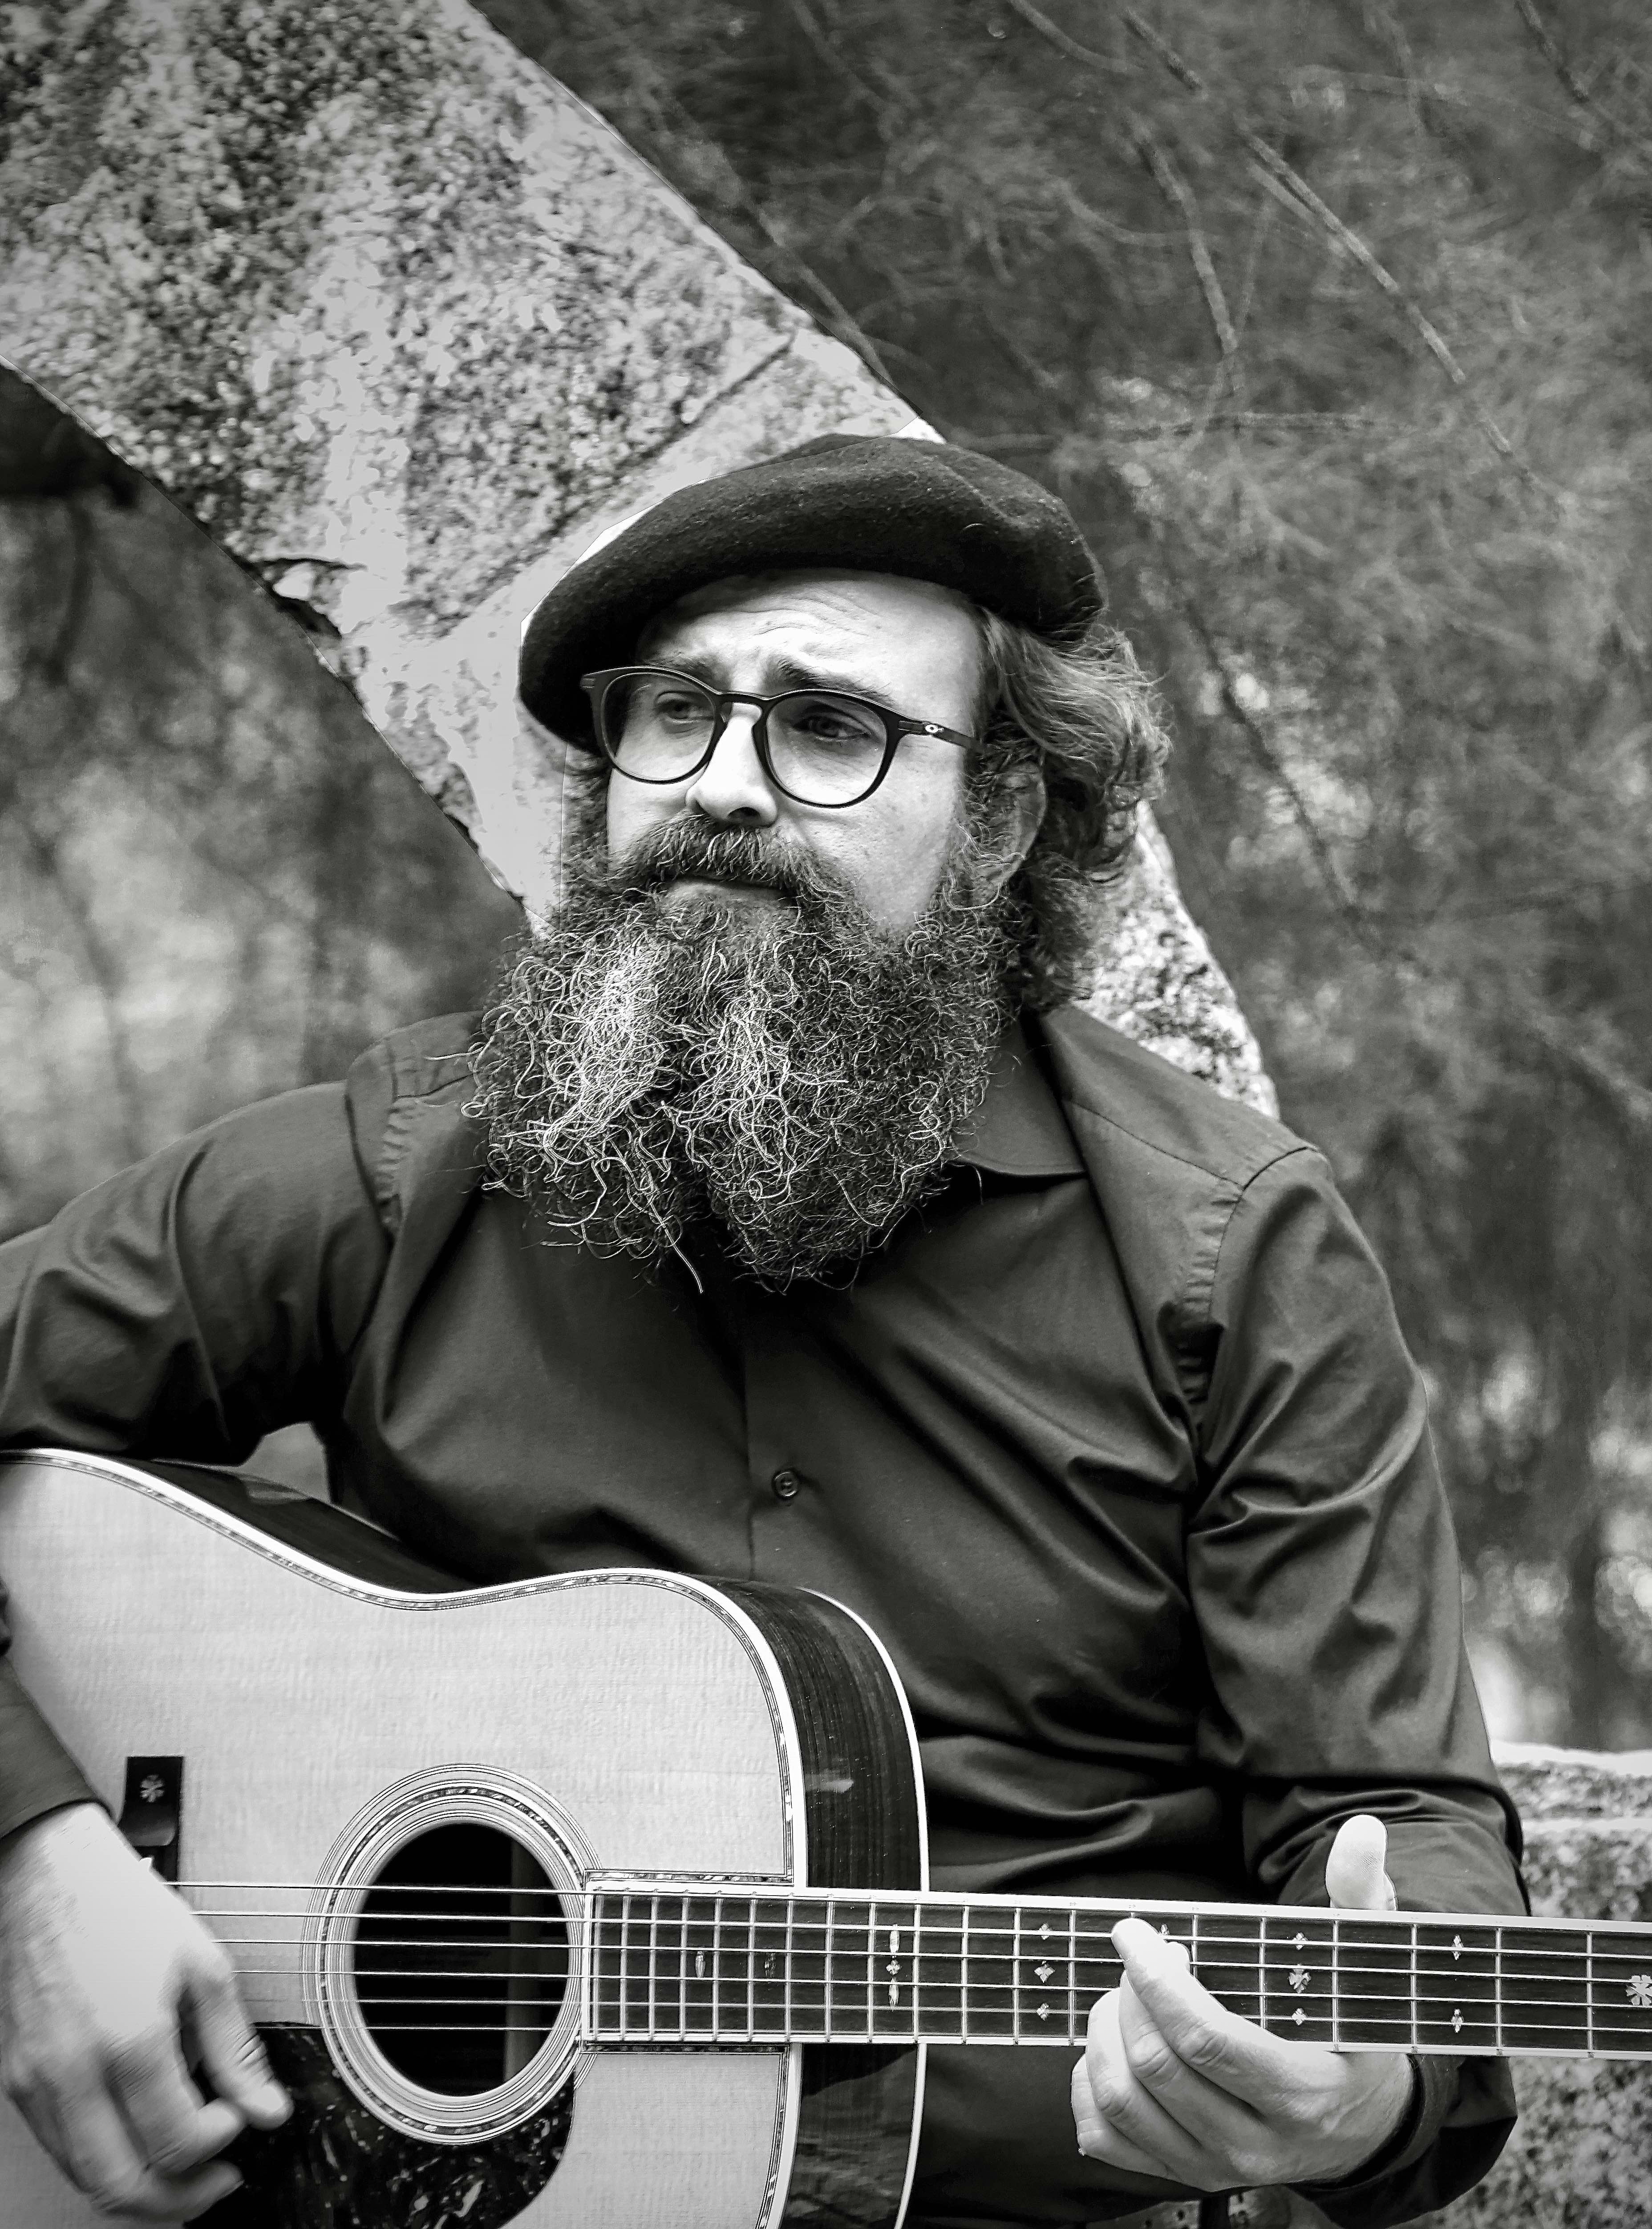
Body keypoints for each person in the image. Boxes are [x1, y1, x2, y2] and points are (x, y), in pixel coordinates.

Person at [0, 435, 1524, 2227]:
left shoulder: (1224, 1248)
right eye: (675, 713)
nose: (722, 784)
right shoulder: (401, 1174)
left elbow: (1395, 1826)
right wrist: (37, 1857)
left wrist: (1358, 2096)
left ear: (1001, 820)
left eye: (826, 728)